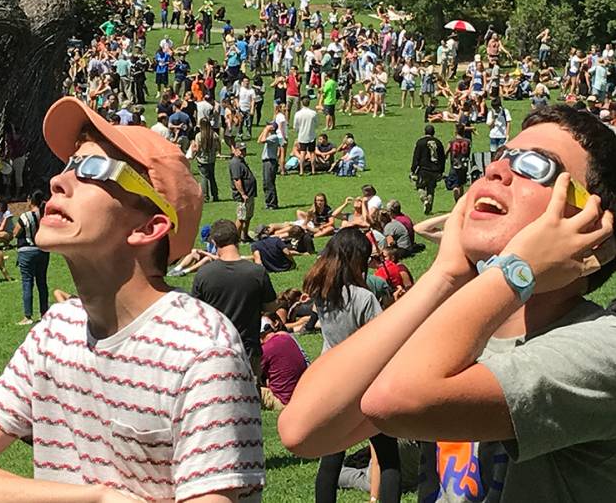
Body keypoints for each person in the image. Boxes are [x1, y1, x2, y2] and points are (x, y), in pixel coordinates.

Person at [0, 96, 265, 502]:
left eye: (94, 169)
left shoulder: (202, 354)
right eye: (68, 165)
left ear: (149, 226)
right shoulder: (56, 330)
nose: (58, 181)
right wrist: (95, 498)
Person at [279, 105, 616, 503]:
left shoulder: (602, 346)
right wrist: (445, 276)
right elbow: (305, 429)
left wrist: (516, 270)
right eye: (500, 157)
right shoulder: (464, 332)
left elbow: (394, 399)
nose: (496, 171)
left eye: (533, 165)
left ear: (594, 228)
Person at [300, 228, 402, 503]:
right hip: (364, 381)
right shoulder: (363, 298)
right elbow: (382, 338)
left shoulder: (322, 293)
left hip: (330, 377)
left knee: (332, 455)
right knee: (388, 456)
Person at [192, 219, 277, 379]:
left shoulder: (203, 274)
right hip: (248, 349)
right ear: (238, 239)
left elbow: (196, 315)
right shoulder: (257, 272)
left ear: (214, 241)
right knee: (251, 398)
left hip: (215, 350)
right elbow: (271, 307)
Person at [13, 190, 50, 326]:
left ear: (29, 200)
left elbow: (16, 232)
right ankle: (44, 313)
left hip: (26, 251)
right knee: (42, 282)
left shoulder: (25, 216)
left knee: (27, 282)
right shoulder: (45, 215)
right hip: (43, 250)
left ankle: (27, 316)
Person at [259, 317, 308, 410]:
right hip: (299, 397)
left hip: (283, 401)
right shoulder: (287, 337)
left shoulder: (265, 350)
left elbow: (254, 373)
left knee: (246, 389)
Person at [411, 125, 446, 214]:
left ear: (425, 132)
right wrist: (441, 171)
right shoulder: (438, 143)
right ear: (433, 132)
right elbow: (442, 158)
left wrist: (413, 169)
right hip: (435, 169)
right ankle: (429, 207)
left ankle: (424, 199)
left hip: (423, 169)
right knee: (431, 189)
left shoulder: (420, 142)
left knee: (420, 186)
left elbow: (416, 157)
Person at [229, 142, 257, 242]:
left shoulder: (241, 161)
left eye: (244, 150)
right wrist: (243, 194)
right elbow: (237, 180)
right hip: (243, 196)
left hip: (249, 194)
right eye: (241, 150)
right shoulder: (235, 163)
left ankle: (244, 236)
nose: (243, 152)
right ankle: (235, 239)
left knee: (248, 216)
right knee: (241, 218)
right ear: (235, 150)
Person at [192, 118, 220, 202]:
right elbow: (218, 147)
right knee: (212, 177)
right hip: (212, 159)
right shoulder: (214, 135)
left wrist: (193, 150)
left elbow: (197, 148)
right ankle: (215, 195)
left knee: (204, 177)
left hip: (202, 159)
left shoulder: (199, 136)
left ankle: (205, 196)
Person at [445, 123, 472, 202]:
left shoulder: (452, 142)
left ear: (455, 131)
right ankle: (461, 200)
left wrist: (446, 157)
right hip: (464, 164)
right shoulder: (468, 142)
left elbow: (446, 152)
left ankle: (456, 196)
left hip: (454, 164)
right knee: (462, 183)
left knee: (455, 184)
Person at [258, 121, 281, 209]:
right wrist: (265, 130)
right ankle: (268, 203)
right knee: (266, 183)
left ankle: (272, 204)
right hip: (266, 162)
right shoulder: (270, 136)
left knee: (269, 183)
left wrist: (266, 130)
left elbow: (263, 140)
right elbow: (259, 140)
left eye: (269, 125)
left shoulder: (274, 137)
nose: (267, 126)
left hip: (270, 162)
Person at [294, 96, 318, 176]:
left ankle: (301, 171)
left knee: (302, 153)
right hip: (311, 135)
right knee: (312, 153)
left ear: (302, 103)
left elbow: (295, 126)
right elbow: (316, 124)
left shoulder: (298, 114)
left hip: (302, 136)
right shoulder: (313, 113)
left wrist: (298, 131)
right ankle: (313, 170)